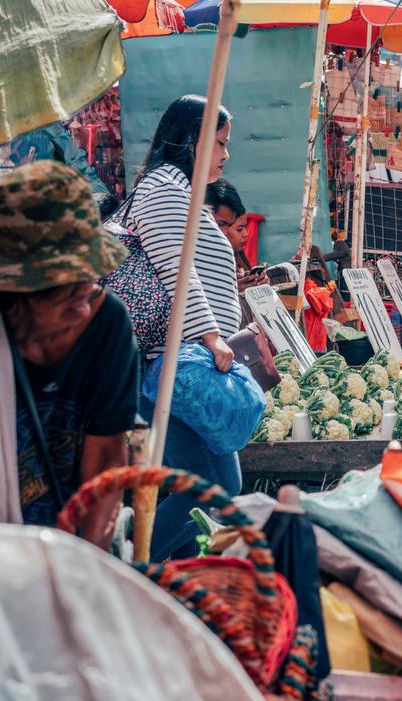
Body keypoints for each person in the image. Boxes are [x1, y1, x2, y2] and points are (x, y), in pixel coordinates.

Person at [113, 95, 243, 561]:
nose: (226, 155)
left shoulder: (179, 190)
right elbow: (177, 267)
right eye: (220, 143)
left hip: (186, 366)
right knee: (217, 488)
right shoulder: (166, 189)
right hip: (173, 366)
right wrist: (211, 334)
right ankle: (131, 565)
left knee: (205, 486)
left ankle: (170, 579)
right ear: (193, 140)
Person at [0, 161, 137, 546]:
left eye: (89, 270)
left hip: (75, 539)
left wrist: (87, 569)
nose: (85, 287)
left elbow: (105, 461)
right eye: (64, 278)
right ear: (14, 288)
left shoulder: (107, 325)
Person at [205, 178, 269, 293]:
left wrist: (259, 283)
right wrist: (231, 289)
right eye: (221, 224)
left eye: (228, 225)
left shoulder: (236, 260)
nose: (246, 234)